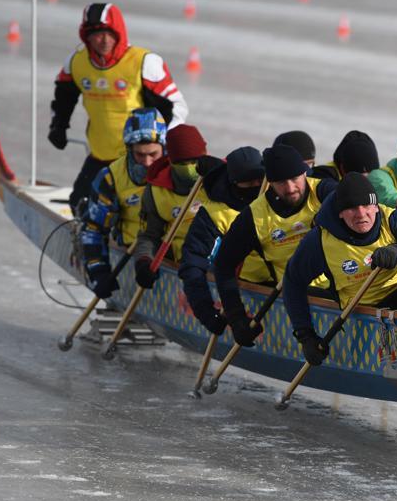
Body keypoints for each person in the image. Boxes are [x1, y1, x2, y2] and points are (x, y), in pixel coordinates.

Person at [283, 173, 397, 366]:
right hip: (363, 311)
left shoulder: (393, 220)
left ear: (376, 207)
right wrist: (305, 336)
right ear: (340, 212)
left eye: (367, 206)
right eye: (352, 208)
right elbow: (293, 282)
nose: (362, 214)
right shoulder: (320, 240)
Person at [49, 3, 188, 215]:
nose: (104, 40)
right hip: (101, 155)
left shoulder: (144, 62)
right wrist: (58, 126)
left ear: (119, 33)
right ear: (86, 36)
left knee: (143, 210)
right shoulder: (76, 63)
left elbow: (177, 108)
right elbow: (63, 99)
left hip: (140, 157)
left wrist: (164, 142)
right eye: (97, 34)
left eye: (109, 33)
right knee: (81, 204)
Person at [214, 145, 337, 347]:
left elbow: (362, 207)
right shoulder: (255, 216)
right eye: (281, 182)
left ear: (304, 173)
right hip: (299, 296)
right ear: (269, 182)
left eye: (295, 178)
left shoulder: (325, 192)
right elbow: (224, 265)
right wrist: (236, 317)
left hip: (345, 285)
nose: (290, 188)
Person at [178, 147, 271, 336]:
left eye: (259, 180)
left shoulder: (277, 196)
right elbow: (193, 263)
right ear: (234, 182)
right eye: (248, 183)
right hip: (243, 285)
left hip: (284, 282)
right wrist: (205, 311)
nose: (256, 186)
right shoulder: (215, 214)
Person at [80, 107, 167, 299]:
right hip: (133, 256)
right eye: (139, 155)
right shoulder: (110, 178)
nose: (147, 162)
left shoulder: (178, 170)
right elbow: (93, 229)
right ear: (129, 150)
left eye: (154, 154)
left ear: (164, 147)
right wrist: (98, 272)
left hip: (173, 256)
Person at [132, 124, 209, 290]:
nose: (189, 168)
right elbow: (149, 236)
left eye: (194, 161)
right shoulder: (156, 191)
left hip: (217, 265)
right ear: (171, 161)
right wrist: (144, 261)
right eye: (182, 163)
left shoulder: (222, 180)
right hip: (181, 266)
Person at [310, 130, 380, 181]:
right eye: (361, 178)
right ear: (342, 169)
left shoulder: (378, 181)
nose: (368, 183)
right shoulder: (323, 177)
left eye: (371, 175)